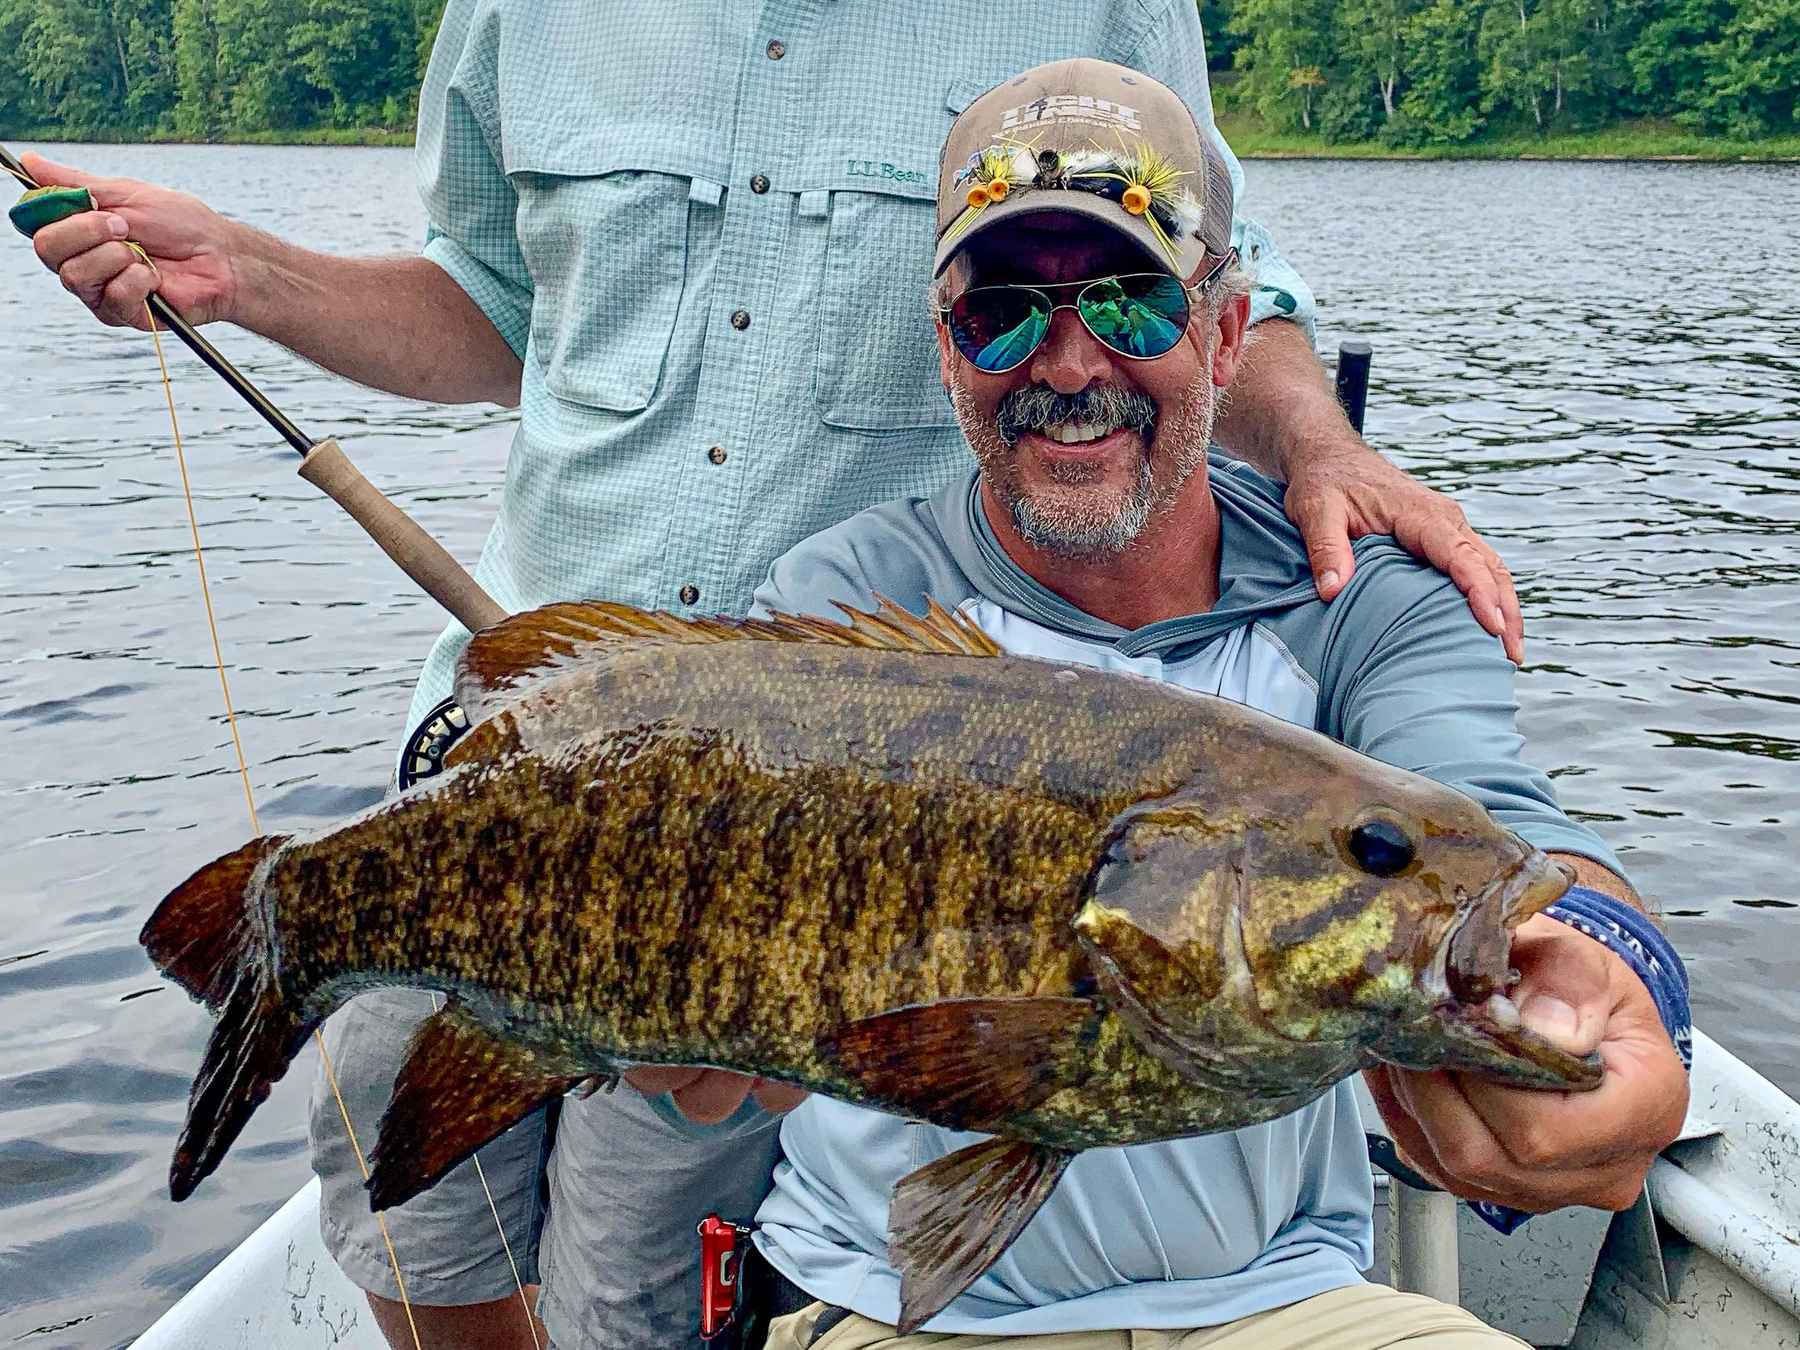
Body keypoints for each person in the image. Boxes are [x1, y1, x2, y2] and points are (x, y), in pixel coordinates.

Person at [20, 9, 1530, 1349]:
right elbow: (491, 305)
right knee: (418, 1229)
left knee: (637, 1278)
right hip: (537, 734)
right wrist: (250, 275)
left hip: (869, 785)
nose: (1057, 347)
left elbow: (1193, 284)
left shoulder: (1107, 19)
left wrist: (1325, 446)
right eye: (996, 313)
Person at [678, 56, 1692, 1350]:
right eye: (1001, 312)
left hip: (1291, 1305)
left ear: (1224, 331)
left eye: (1130, 303)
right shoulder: (856, 600)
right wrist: (683, 1055)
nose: (1068, 358)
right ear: (948, 354)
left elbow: (1496, 816)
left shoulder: (1363, 599)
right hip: (894, 1306)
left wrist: (1616, 974)